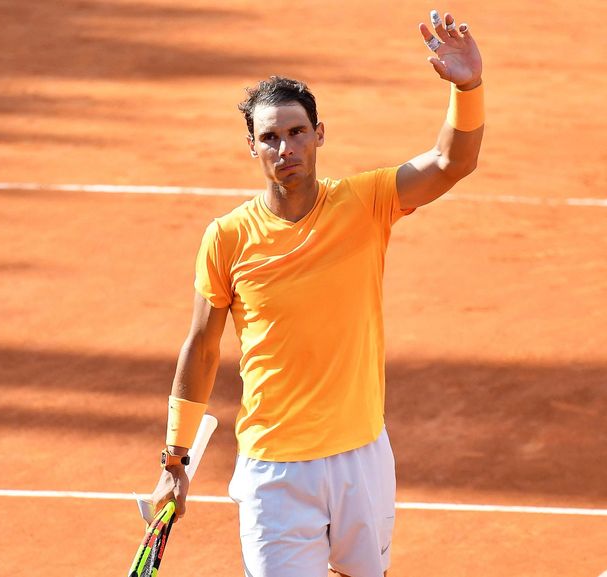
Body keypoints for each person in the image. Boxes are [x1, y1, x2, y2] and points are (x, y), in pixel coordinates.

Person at [151, 9, 484, 577]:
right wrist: (174, 460)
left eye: (297, 132)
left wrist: (468, 88)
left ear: (319, 134)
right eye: (270, 137)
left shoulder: (366, 202)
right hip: (274, 471)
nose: (286, 148)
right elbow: (202, 348)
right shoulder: (227, 237)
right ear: (252, 147)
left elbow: (453, 162)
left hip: (361, 458)